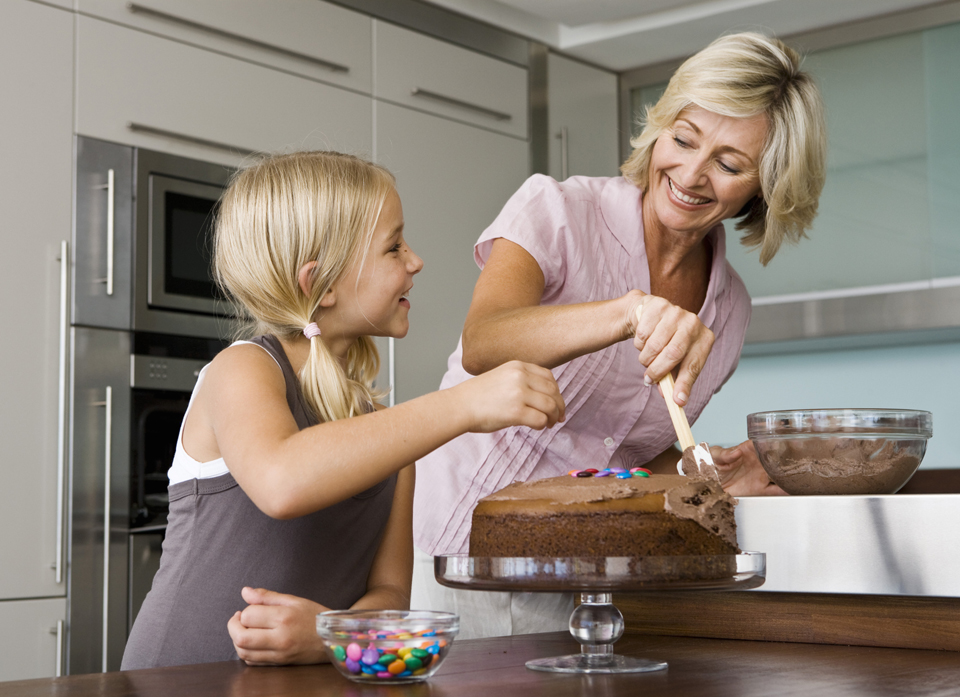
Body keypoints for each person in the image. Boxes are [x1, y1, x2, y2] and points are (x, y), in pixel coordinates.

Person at [410, 31, 827, 639]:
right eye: (683, 139)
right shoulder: (558, 210)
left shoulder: (729, 309)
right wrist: (627, 313)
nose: (690, 174)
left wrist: (701, 474)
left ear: (767, 186)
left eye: (729, 164)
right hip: (450, 554)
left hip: (585, 580)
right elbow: (483, 342)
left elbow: (627, 457)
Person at [120, 151, 565, 669]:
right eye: (393, 247)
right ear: (322, 284)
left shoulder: (384, 429)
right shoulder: (242, 368)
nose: (415, 261)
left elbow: (390, 594)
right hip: (175, 678)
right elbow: (282, 480)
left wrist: (328, 632)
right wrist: (465, 402)